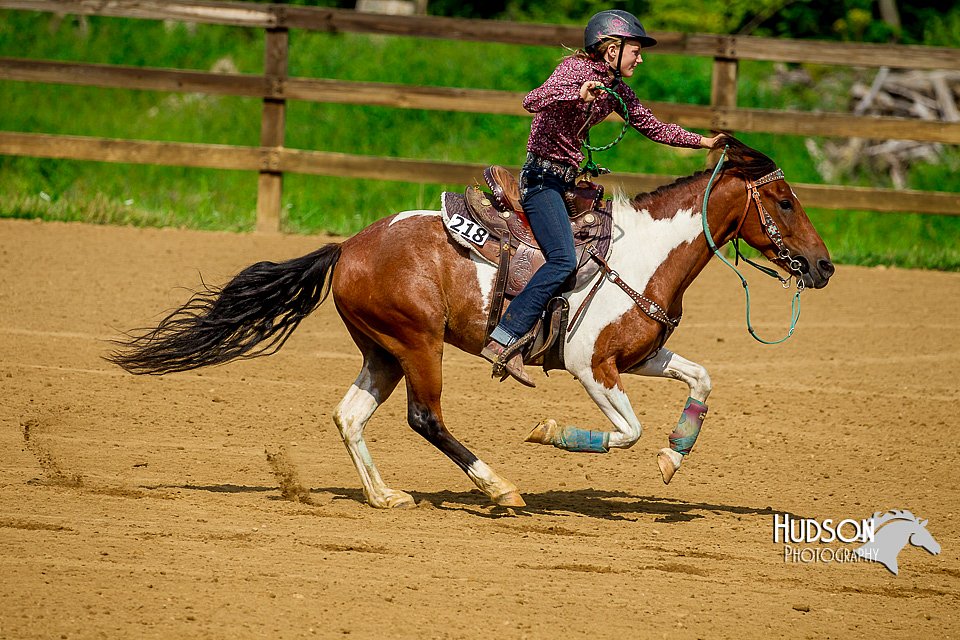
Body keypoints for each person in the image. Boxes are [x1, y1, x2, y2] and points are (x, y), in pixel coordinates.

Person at [481, 9, 722, 387]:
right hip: (542, 182)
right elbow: (533, 100)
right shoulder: (575, 72)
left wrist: (703, 141)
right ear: (612, 49)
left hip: (566, 184)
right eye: (635, 50)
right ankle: (504, 338)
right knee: (562, 260)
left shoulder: (616, 90)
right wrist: (574, 93)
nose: (640, 58)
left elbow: (651, 124)